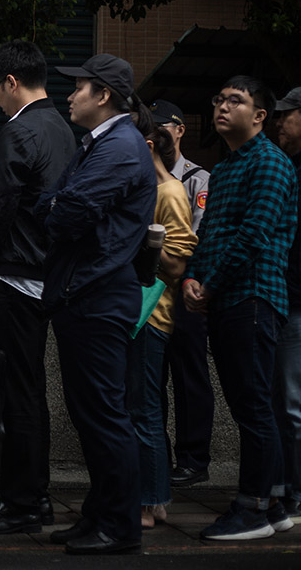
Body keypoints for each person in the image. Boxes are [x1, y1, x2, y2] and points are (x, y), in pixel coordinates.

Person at [35, 53, 157, 555]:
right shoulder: (101, 145)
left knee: (105, 414)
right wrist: (57, 206)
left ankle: (120, 526)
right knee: (91, 414)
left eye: (79, 87)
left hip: (98, 294)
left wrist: (57, 207)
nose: (70, 94)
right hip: (84, 293)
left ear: (103, 94)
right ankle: (99, 515)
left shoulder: (121, 147)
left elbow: (67, 212)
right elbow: (54, 203)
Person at [0, 40, 75, 536]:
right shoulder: (62, 130)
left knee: (15, 394)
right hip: (48, 276)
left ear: (10, 83)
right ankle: (33, 497)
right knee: (31, 391)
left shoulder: (19, 129)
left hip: (13, 276)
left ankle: (21, 502)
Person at [184, 76, 297, 541]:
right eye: (219, 100)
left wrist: (208, 285)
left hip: (253, 298)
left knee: (255, 409)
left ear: (260, 116)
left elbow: (254, 236)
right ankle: (270, 505)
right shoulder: (227, 167)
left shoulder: (270, 163)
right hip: (226, 299)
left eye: (236, 101)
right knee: (251, 407)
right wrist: (192, 274)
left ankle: (253, 509)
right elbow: (209, 233)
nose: (223, 107)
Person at [127, 126, 197, 528]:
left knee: (144, 409)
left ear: (148, 145)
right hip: (136, 314)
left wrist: (138, 238)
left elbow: (176, 264)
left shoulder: (169, 192)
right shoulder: (145, 189)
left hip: (152, 315)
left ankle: (150, 502)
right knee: (139, 406)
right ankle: (154, 498)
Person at [149, 99, 215, 489]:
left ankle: (194, 459)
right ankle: (160, 457)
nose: (157, 134)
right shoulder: (144, 177)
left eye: (164, 127)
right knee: (151, 381)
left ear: (180, 130)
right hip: (153, 294)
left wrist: (190, 280)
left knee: (190, 379)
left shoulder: (195, 179)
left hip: (186, 292)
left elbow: (200, 237)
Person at [274, 86, 301, 521]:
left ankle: (295, 491)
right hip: (285, 298)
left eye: (285, 115)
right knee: (284, 401)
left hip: (296, 301)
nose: (279, 122)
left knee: (293, 403)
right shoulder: (288, 166)